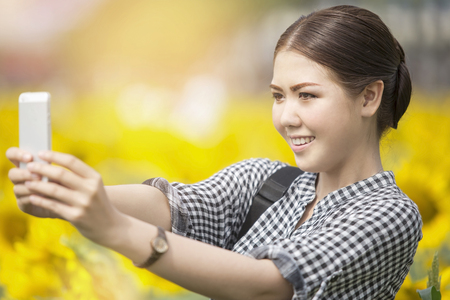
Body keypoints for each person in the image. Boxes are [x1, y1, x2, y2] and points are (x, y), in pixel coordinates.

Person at [6, 5, 422, 300]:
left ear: (368, 97)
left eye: (307, 95)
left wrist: (114, 229)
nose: (287, 117)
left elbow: (267, 284)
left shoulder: (390, 214)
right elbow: (175, 206)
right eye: (278, 96)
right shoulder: (267, 183)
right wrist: (68, 196)